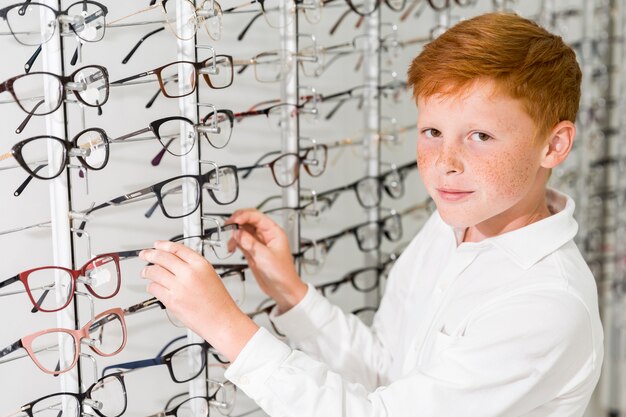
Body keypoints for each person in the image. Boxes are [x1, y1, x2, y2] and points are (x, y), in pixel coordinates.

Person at [139, 12, 603, 417]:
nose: (446, 161)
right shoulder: (453, 224)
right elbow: (389, 373)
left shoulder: (545, 306)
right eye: (433, 131)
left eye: (480, 136)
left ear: (554, 145)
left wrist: (224, 326)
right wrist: (293, 294)